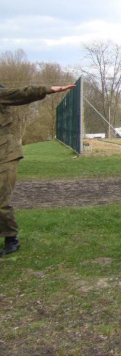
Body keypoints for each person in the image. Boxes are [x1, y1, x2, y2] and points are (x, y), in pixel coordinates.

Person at [0, 83, 76, 257]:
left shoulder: (3, 94)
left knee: (1, 200)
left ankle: (11, 239)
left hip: (5, 153)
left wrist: (48, 89)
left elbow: (21, 92)